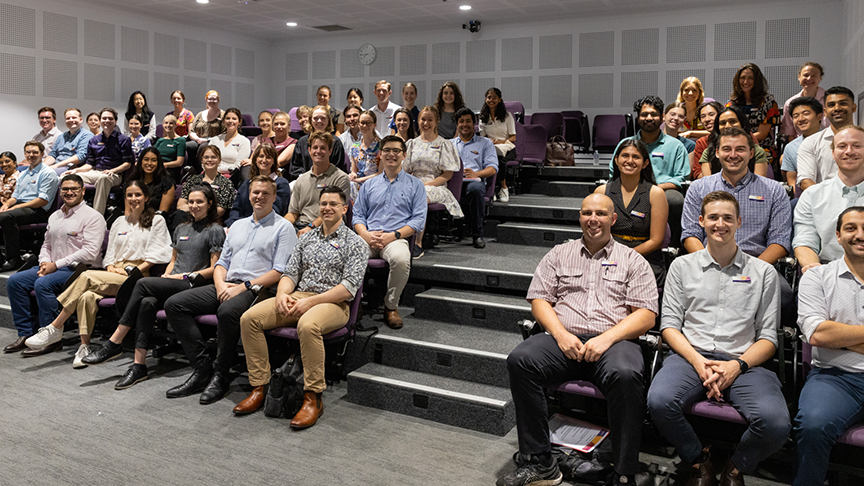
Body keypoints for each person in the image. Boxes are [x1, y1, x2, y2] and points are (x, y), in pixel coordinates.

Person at [497, 194, 658, 486]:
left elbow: (646, 316)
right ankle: (541, 463)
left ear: (613, 219)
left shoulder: (633, 260)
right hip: (564, 338)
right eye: (586, 213)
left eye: (600, 213)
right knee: (520, 360)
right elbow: (539, 301)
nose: (592, 219)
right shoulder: (558, 254)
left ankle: (623, 473)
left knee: (626, 374)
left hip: (614, 342)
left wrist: (606, 339)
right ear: (580, 217)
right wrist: (560, 334)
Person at [648, 191, 789, 486]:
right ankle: (700, 460)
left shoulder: (763, 273)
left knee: (776, 424)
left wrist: (736, 366)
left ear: (739, 222)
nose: (720, 224)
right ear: (701, 222)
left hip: (744, 361)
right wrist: (699, 363)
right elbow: (670, 326)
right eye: (713, 217)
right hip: (690, 356)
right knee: (659, 402)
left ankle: (735, 467)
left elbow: (768, 337)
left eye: (727, 218)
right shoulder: (681, 266)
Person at [235, 186, 366, 427]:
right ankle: (260, 387)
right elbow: (290, 273)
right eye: (323, 203)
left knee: (307, 325)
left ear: (344, 209)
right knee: (249, 318)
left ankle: (313, 397)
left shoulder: (356, 243)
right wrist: (283, 295)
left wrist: (309, 302)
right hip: (299, 296)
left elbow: (348, 288)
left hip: (332, 303)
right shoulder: (305, 238)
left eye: (333, 204)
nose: (327, 208)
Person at [163, 176, 297, 403]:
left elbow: (279, 271)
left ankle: (221, 373)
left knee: (226, 312)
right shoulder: (237, 225)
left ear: (274, 197)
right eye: (255, 192)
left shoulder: (284, 228)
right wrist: (220, 285)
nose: (259, 197)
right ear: (248, 195)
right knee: (174, 304)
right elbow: (221, 264)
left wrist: (242, 288)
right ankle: (201, 367)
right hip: (226, 285)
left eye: (265, 193)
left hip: (257, 289)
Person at [82, 185, 225, 390]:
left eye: (200, 202)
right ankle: (139, 365)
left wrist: (179, 276)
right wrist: (168, 274)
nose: (194, 206)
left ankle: (115, 342)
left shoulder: (215, 230)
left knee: (141, 283)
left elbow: (215, 268)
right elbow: (173, 260)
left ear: (210, 204)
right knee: (147, 303)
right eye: (191, 202)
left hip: (194, 283)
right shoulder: (181, 228)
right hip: (173, 281)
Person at [24, 181, 172, 367]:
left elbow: (158, 254)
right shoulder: (119, 221)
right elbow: (109, 254)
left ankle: (56, 326)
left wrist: (132, 270)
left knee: (86, 276)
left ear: (146, 197)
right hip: (114, 273)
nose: (133, 199)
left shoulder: (157, 220)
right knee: (86, 296)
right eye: (129, 195)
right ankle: (84, 347)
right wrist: (110, 267)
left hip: (138, 276)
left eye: (137, 195)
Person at [793, 206, 864, 486]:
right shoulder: (817, 277)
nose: (859, 235)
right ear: (837, 235)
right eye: (851, 228)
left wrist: (844, 339)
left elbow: (831, 333)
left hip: (839, 360)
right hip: (835, 377)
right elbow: (818, 334)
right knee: (812, 425)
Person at [4, 174, 105, 356]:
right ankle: (26, 334)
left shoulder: (93, 217)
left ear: (83, 191)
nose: (69, 192)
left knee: (43, 284)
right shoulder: (56, 215)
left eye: (74, 189)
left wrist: (55, 265)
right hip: (53, 266)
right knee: (15, 281)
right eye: (65, 189)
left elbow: (90, 252)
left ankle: (51, 337)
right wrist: (44, 262)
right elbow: (46, 244)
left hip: (80, 270)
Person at [683, 127, 791, 264]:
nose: (733, 155)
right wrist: (710, 265)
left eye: (740, 149)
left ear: (751, 153)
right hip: (707, 264)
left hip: (759, 265)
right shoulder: (698, 188)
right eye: (727, 149)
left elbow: (780, 240)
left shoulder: (774, 190)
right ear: (717, 153)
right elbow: (690, 234)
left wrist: (753, 270)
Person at [354, 135, 427, 328]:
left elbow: (418, 220)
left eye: (396, 151)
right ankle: (354, 303)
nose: (391, 154)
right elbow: (358, 216)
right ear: (380, 154)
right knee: (350, 252)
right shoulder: (369, 185)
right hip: (369, 236)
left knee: (402, 259)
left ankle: (391, 307)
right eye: (387, 150)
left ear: (404, 155)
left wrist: (393, 235)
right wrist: (366, 235)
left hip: (395, 237)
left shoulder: (416, 185)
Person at [609, 95, 688, 247]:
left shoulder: (675, 146)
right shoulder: (625, 144)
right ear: (638, 118)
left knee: (675, 200)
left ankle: (671, 248)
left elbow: (681, 178)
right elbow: (614, 174)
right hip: (629, 188)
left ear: (662, 117)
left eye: (654, 114)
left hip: (662, 191)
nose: (649, 117)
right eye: (644, 114)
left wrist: (654, 189)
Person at [595, 139, 668, 285]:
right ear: (616, 160)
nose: (630, 161)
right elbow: (596, 232)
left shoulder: (655, 193)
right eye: (625, 156)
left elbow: (656, 240)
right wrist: (612, 256)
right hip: (608, 254)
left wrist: (625, 257)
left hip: (644, 257)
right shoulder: (602, 192)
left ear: (645, 163)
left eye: (636, 157)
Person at [794, 126, 864, 272]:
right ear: (833, 153)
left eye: (857, 146)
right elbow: (805, 242)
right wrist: (815, 270)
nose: (849, 151)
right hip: (827, 271)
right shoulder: (812, 196)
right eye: (842, 146)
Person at [404, 105, 464, 258]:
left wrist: (425, 185)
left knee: (420, 197)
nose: (426, 123)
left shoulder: (444, 144)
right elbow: (405, 170)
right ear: (418, 121)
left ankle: (417, 243)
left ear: (436, 121)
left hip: (436, 186)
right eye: (423, 119)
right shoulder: (411, 144)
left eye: (430, 120)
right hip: (415, 184)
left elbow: (447, 175)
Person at [0, 141, 60, 270]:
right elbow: (15, 197)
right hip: (22, 207)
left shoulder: (47, 173)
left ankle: (14, 259)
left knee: (6, 216)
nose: (31, 155)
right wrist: (6, 204)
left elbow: (42, 201)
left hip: (37, 210)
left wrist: (15, 207)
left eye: (35, 152)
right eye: (28, 152)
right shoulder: (23, 174)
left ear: (42, 154)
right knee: (4, 212)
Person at [70, 107, 134, 215]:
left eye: (110, 119)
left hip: (114, 175)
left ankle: (96, 218)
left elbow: (127, 163)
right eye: (104, 118)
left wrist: (113, 170)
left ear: (115, 121)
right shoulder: (93, 140)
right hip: (96, 172)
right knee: (68, 178)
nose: (107, 121)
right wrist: (76, 171)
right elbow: (89, 165)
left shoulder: (123, 139)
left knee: (103, 178)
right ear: (100, 121)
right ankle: (73, 213)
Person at [285, 132, 350, 235]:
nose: (318, 151)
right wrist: (281, 227)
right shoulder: (301, 180)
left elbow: (334, 212)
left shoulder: (341, 178)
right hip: (301, 227)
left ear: (330, 151)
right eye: (315, 147)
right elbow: (293, 213)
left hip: (328, 228)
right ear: (309, 151)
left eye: (323, 148)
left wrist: (310, 227)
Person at [452, 108, 498, 249]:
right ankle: (434, 233)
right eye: (461, 121)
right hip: (453, 182)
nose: (464, 124)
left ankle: (477, 234)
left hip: (474, 181)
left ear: (474, 123)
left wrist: (476, 174)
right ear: (457, 124)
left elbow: (493, 168)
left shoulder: (485, 143)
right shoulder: (449, 144)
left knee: (475, 189)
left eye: (468, 121)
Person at [796, 86, 858, 190]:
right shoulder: (810, 143)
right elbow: (806, 181)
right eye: (831, 105)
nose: (837, 108)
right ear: (825, 111)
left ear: (854, 107)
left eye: (843, 103)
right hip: (825, 202)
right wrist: (828, 200)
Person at [726, 63, 781, 165]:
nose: (746, 82)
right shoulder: (731, 103)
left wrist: (740, 142)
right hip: (734, 145)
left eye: (750, 78)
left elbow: (762, 134)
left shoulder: (768, 102)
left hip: (761, 146)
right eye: (742, 78)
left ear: (757, 81)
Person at [226, 144, 291, 226]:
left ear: (274, 161)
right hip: (241, 225)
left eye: (268, 157)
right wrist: (233, 224)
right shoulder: (247, 183)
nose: (264, 160)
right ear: (255, 160)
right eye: (261, 156)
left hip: (267, 226)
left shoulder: (281, 183)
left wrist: (248, 224)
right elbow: (236, 209)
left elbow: (276, 211)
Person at [699, 105, 770, 178]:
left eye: (733, 121)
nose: (728, 126)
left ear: (742, 124)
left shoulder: (757, 151)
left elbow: (759, 185)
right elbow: (707, 185)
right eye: (723, 123)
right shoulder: (708, 152)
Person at [173, 146, 235, 226]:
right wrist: (200, 209)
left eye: (213, 157)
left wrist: (195, 209)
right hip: (190, 219)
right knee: (178, 215)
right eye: (206, 157)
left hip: (212, 222)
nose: (209, 160)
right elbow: (180, 205)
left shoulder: (226, 183)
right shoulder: (192, 180)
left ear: (219, 160)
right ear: (202, 160)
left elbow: (219, 211)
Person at [286, 106, 347, 180]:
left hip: (329, 182)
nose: (319, 121)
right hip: (305, 181)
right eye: (315, 118)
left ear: (328, 120)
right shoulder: (302, 142)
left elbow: (338, 167)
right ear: (310, 120)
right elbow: (295, 167)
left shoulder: (335, 142)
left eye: (323, 118)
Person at [479, 87, 516, 203]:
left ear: (499, 99)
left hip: (507, 147)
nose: (491, 100)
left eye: (494, 97)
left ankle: (503, 187)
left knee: (500, 159)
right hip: (490, 146)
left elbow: (513, 137)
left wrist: (500, 142)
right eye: (489, 97)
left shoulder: (507, 116)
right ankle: (491, 190)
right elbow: (482, 137)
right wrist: (490, 141)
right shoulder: (483, 117)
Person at [780, 97, 824, 190]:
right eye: (795, 116)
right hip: (805, 195)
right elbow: (792, 182)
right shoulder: (791, 147)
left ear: (819, 116)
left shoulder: (833, 140)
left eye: (806, 114)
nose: (801, 119)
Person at [779, 62, 830, 143]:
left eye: (814, 76)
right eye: (806, 75)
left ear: (820, 78)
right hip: (802, 144)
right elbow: (790, 134)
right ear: (799, 77)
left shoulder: (829, 99)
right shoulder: (790, 103)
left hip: (827, 143)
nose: (809, 78)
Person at [44, 108, 94, 176]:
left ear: (81, 119)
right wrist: (42, 166)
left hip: (70, 167)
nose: (71, 120)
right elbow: (53, 155)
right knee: (27, 170)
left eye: (74, 117)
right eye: (68, 118)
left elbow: (80, 157)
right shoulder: (61, 136)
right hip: (56, 165)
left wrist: (56, 166)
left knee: (45, 174)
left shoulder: (87, 135)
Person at [126, 148, 175, 213]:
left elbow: (162, 213)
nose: (149, 163)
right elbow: (127, 212)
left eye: (154, 160)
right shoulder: (132, 182)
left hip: (156, 220)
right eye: (146, 160)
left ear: (158, 163)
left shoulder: (167, 184)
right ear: (141, 161)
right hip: (133, 219)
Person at [186, 90, 225, 171]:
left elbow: (224, 133)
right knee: (185, 145)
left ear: (218, 100)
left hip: (214, 141)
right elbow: (192, 131)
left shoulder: (223, 115)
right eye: (210, 99)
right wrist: (198, 139)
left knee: (203, 147)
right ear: (206, 100)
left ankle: (200, 171)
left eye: (214, 99)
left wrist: (206, 140)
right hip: (198, 140)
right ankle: (188, 170)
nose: (212, 101)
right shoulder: (200, 114)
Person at [348, 110, 382, 201]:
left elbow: (381, 173)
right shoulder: (355, 146)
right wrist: (353, 175)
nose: (365, 126)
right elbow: (354, 170)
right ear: (358, 124)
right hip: (358, 184)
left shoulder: (381, 146)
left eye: (368, 123)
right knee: (349, 184)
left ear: (374, 124)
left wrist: (360, 180)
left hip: (376, 183)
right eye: (362, 123)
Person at [207, 107, 251, 177]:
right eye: (227, 118)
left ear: (239, 122)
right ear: (223, 121)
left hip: (230, 176)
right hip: (209, 173)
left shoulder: (244, 141)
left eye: (234, 119)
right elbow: (206, 160)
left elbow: (237, 166)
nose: (230, 121)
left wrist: (216, 169)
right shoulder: (215, 140)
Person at [691, 101, 724, 179]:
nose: (707, 119)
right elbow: (698, 173)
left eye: (711, 114)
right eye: (703, 116)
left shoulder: (743, 137)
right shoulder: (702, 142)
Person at [662, 102, 696, 170]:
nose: (676, 118)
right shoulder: (652, 140)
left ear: (684, 121)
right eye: (672, 114)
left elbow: (686, 174)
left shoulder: (689, 145)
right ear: (663, 116)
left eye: (681, 116)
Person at [152, 114, 186, 181]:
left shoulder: (180, 140)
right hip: (156, 167)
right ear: (163, 125)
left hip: (170, 170)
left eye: (171, 123)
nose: (168, 125)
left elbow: (179, 162)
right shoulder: (160, 140)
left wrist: (163, 165)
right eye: (166, 123)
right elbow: (152, 154)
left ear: (175, 125)